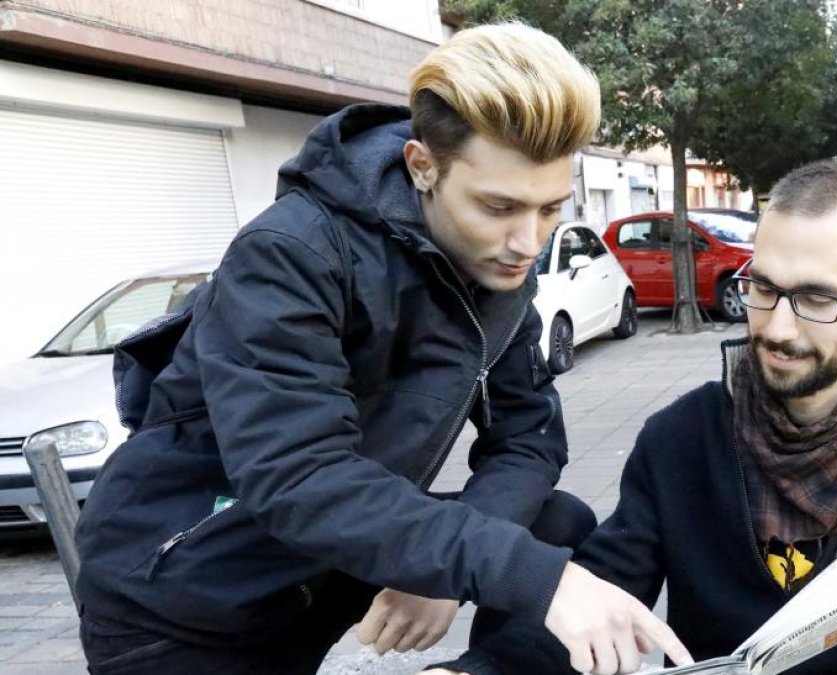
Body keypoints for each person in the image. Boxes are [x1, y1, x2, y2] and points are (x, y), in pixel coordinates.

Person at [73, 22, 690, 674]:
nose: (527, 240)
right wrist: (526, 575)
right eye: (498, 206)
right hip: (192, 594)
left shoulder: (502, 270)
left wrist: (446, 575)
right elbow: (300, 476)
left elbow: (529, 436)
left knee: (552, 522)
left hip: (328, 561)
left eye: (549, 209)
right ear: (421, 166)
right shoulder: (291, 253)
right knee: (527, 564)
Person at [425, 160, 837, 675]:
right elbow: (598, 598)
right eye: (764, 288)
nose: (778, 328)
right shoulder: (680, 439)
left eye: (815, 299)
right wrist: (478, 670)